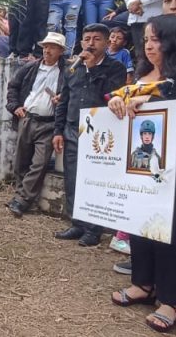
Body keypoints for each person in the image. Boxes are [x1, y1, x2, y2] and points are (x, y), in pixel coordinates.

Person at [105, 14, 176, 332]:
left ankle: (172, 298)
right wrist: (117, 102)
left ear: (174, 40)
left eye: (157, 39)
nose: (150, 45)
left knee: (173, 230)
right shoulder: (141, 72)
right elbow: (124, 104)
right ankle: (143, 283)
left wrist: (150, 99)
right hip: (141, 161)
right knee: (139, 221)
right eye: (147, 39)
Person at [53, 24, 127, 246]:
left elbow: (111, 96)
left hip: (99, 133)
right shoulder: (72, 68)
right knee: (73, 178)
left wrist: (93, 67)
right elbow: (64, 101)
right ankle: (77, 223)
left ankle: (94, 229)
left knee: (95, 181)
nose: (90, 44)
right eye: (87, 39)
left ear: (106, 43)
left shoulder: (115, 68)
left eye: (96, 39)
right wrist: (58, 131)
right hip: (73, 128)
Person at [5, 32, 66, 217]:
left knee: (39, 163)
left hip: (49, 123)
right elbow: (13, 87)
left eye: (52, 47)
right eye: (46, 46)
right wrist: (15, 106)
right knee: (21, 161)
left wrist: (62, 99)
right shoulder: (31, 67)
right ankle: (21, 196)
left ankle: (22, 200)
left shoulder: (67, 71)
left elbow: (71, 94)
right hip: (28, 118)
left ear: (61, 51)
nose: (47, 50)